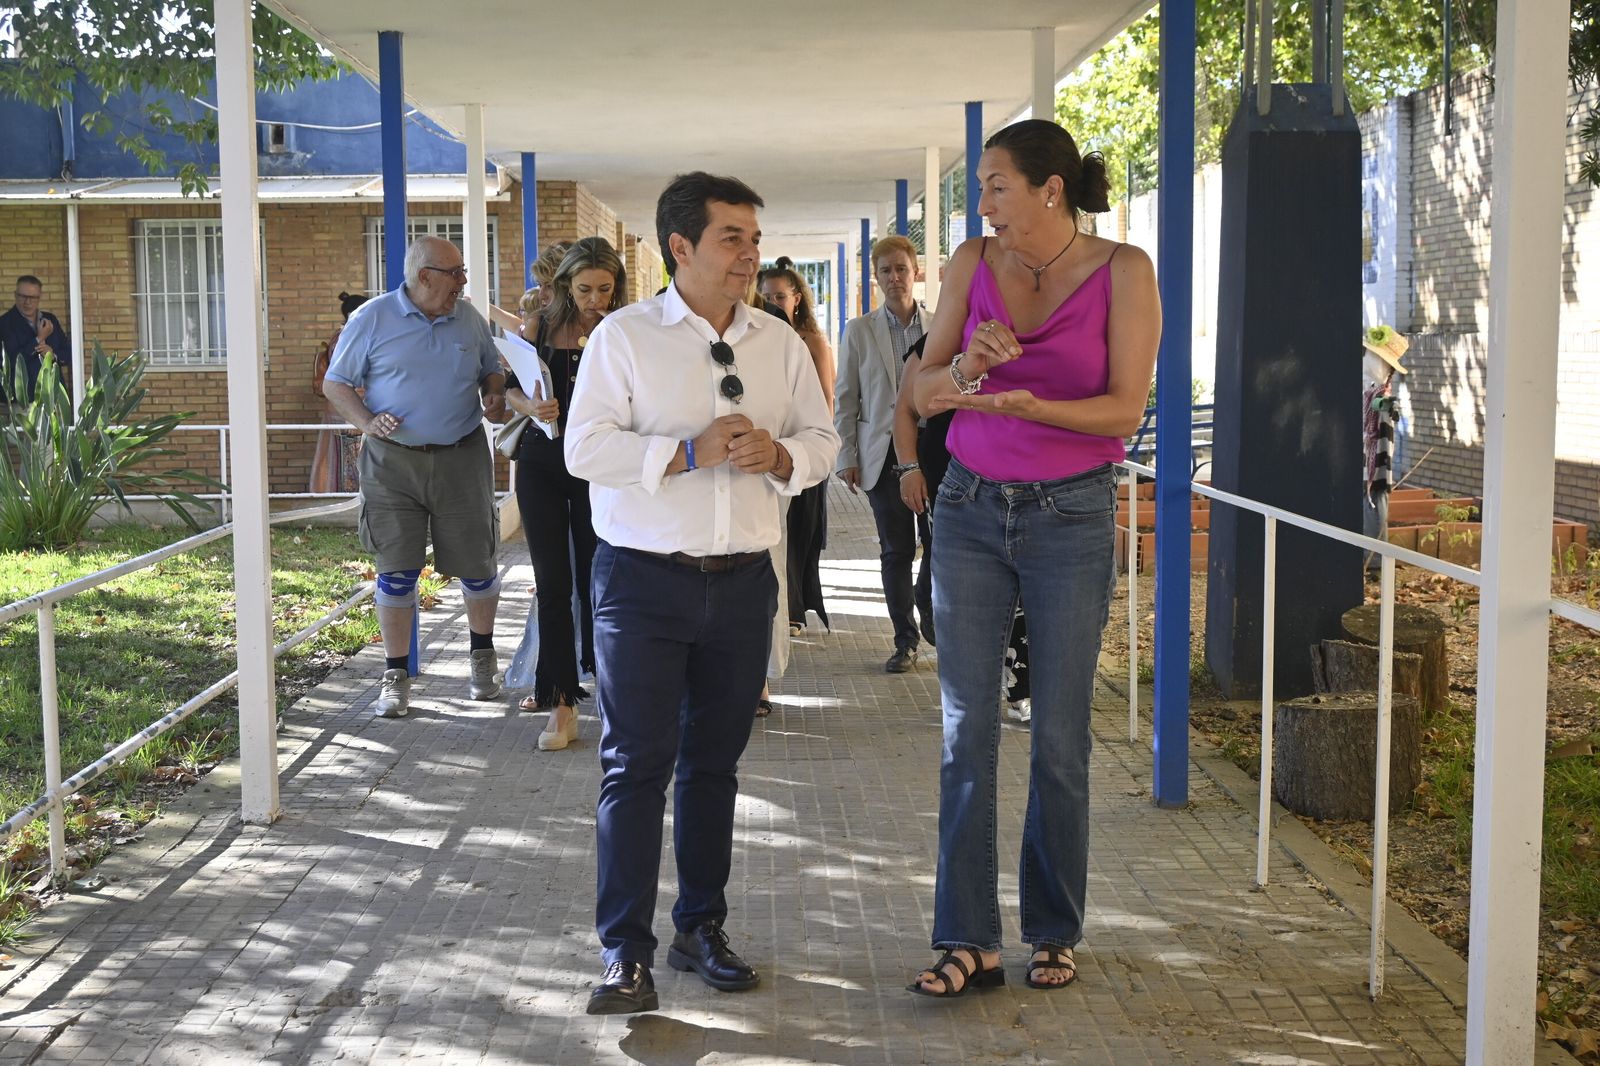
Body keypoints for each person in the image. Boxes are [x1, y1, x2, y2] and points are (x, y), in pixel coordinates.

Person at [565, 171, 839, 1015]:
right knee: (635, 768)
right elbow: (584, 450)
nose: (750, 255)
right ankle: (624, 951)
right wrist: (686, 453)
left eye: (755, 240)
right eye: (733, 239)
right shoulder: (624, 337)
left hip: (743, 584)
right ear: (681, 247)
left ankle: (700, 930)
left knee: (715, 767)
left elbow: (823, 438)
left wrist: (784, 458)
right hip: (643, 583)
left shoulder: (779, 343)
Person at [907, 119, 1159, 997]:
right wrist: (969, 374)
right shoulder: (972, 263)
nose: (984, 204)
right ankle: (966, 937)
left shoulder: (1126, 271)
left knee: (1058, 736)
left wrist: (1028, 407)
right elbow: (922, 391)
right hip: (971, 509)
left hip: (1072, 516)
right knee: (964, 731)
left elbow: (1125, 411)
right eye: (982, 188)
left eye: (997, 185)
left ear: (1051, 189)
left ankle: (1054, 928)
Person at [322, 236, 509, 720]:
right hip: (393, 464)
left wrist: (493, 394)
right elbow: (335, 382)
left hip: (462, 457)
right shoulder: (372, 318)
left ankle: (482, 659)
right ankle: (396, 675)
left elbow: (493, 370)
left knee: (478, 564)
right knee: (396, 570)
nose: (463, 281)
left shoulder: (467, 317)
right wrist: (366, 422)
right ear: (425, 275)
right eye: (456, 273)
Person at [503, 237, 627, 750]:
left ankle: (617, 696)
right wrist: (529, 408)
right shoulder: (541, 325)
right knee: (553, 586)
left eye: (604, 289)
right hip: (542, 464)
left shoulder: (625, 332)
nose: (595, 299)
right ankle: (561, 703)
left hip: (599, 471)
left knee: (604, 585)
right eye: (584, 289)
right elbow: (506, 387)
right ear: (564, 286)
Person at [893, 335, 1032, 722]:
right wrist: (909, 469)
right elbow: (905, 410)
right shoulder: (934, 343)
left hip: (1023, 481)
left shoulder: (1030, 331)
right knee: (959, 587)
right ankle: (970, 684)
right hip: (949, 484)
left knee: (1021, 591)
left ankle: (1019, 687)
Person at [834, 235, 931, 673]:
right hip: (881, 456)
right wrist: (847, 456)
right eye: (886, 271)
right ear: (876, 278)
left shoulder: (940, 326)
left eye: (902, 269)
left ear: (916, 272)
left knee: (939, 543)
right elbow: (846, 398)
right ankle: (904, 640)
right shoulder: (859, 331)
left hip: (933, 454)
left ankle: (929, 608)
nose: (895, 278)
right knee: (895, 549)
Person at [760, 258, 834, 636]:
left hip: (800, 451)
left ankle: (795, 607)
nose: (773, 301)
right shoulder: (761, 337)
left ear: (797, 300)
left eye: (780, 295)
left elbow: (825, 399)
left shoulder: (808, 341)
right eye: (766, 295)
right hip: (767, 455)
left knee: (800, 532)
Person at [309, 291, 369, 494]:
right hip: (349, 406)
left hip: (339, 405)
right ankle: (345, 497)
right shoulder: (349, 336)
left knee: (337, 454)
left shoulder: (340, 335)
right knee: (349, 456)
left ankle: (334, 492)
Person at [1361, 324, 1407, 569]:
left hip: (1377, 460)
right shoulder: (1369, 390)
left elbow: (1382, 406)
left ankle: (1376, 559)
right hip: (1368, 459)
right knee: (1370, 503)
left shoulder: (1380, 393)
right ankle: (1372, 558)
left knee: (1375, 502)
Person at [1, 275, 70, 402]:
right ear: (15, 295)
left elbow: (69, 354)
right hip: (24, 401)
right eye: (23, 296)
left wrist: (52, 355)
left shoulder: (50, 319)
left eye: (33, 297)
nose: (28, 302)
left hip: (54, 396)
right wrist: (39, 339)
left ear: (39, 297)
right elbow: (11, 362)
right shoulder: (4, 324)